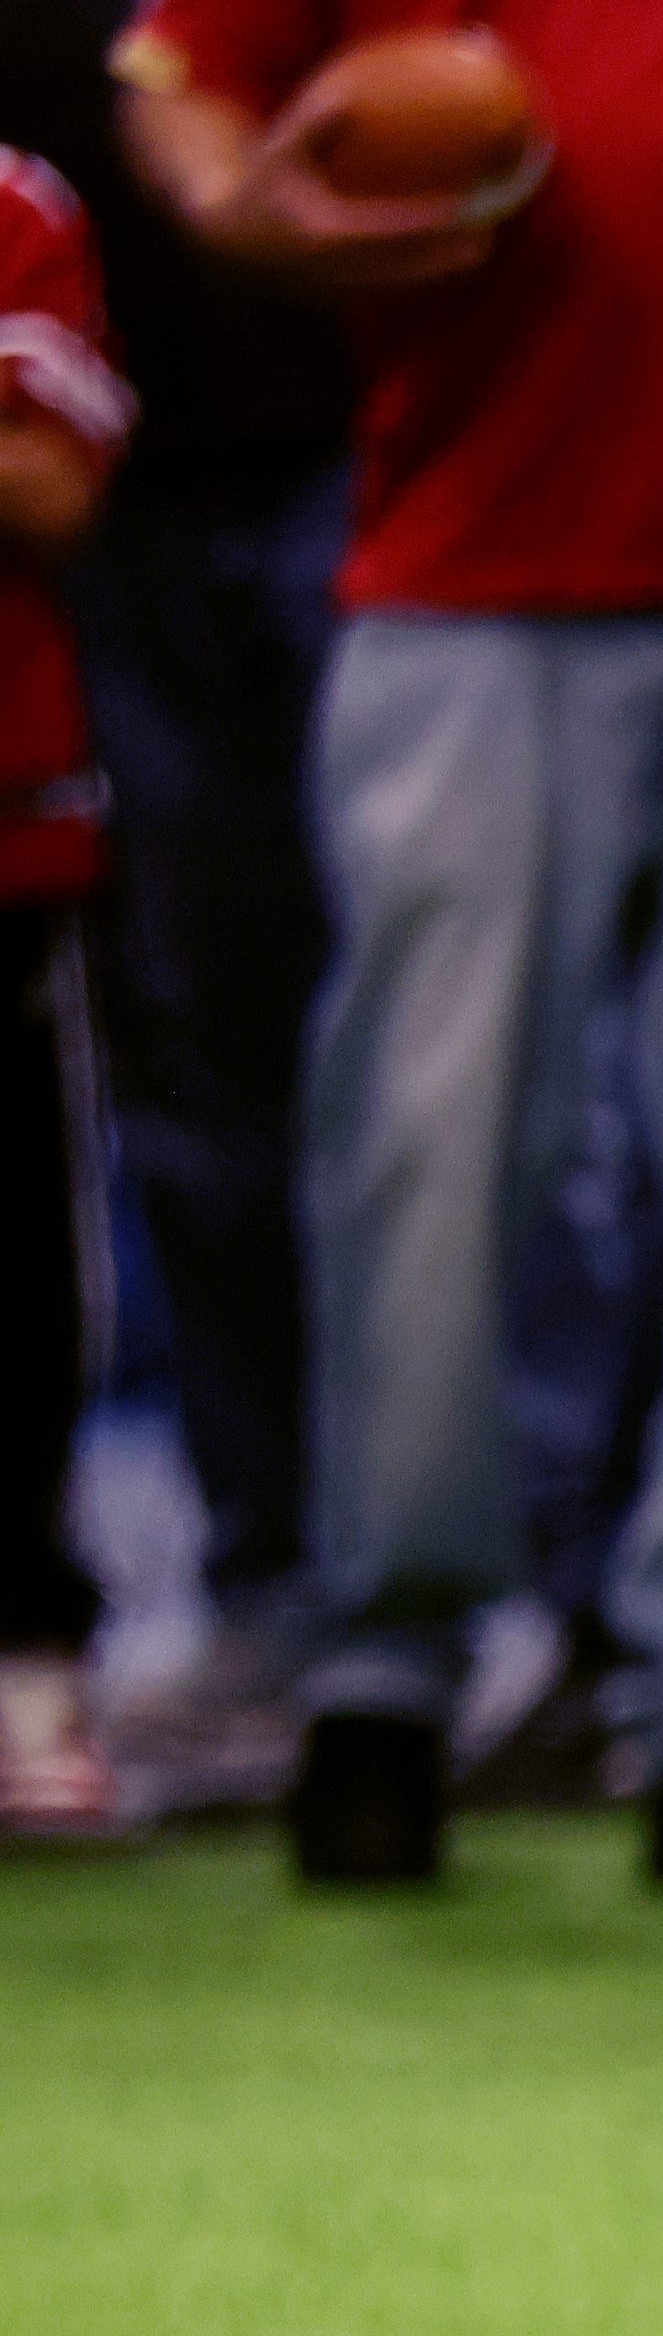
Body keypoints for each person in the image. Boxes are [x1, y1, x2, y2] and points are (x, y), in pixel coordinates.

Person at [115, 0, 663, 1894]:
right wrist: (250, 207)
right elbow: (182, 72)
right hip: (472, 571)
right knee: (424, 1143)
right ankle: (385, 1675)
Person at [0, 0, 344, 1802]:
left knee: (444, 1068)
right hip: (110, 556)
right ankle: (270, 1580)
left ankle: (502, 1624)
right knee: (188, 1073)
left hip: (380, 468)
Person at [0, 136, 118, 1834]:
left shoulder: (15, 206)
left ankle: (23, 1668)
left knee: (10, 1282)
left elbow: (51, 480)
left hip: (3, 834)